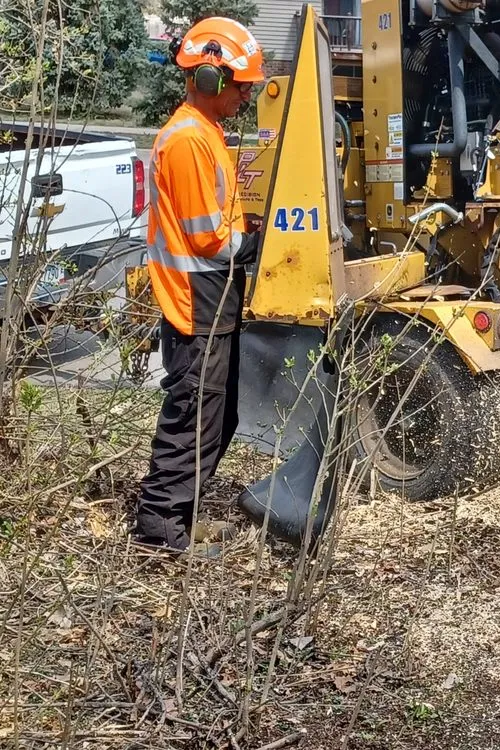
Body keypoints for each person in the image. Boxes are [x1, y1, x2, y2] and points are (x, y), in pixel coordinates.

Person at [132, 17, 265, 555]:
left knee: (219, 414)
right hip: (196, 297)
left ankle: (181, 517)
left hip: (213, 294)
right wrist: (257, 242)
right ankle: (160, 530)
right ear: (209, 79)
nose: (248, 94)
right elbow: (207, 237)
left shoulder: (208, 133)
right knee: (193, 414)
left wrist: (247, 228)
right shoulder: (187, 140)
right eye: (242, 84)